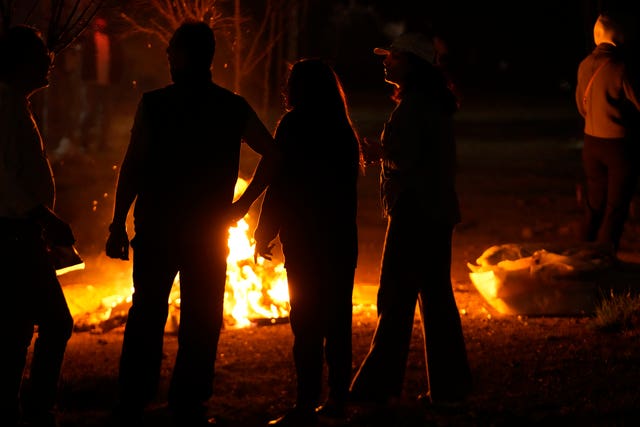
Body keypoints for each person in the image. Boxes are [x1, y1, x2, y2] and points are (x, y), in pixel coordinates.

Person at [105, 21, 281, 427]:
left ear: (186, 57)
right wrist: (241, 207)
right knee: (201, 318)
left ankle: (134, 398)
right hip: (205, 232)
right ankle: (189, 401)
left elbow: (133, 164)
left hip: (159, 229)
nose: (167, 58)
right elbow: (273, 154)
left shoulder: (155, 104)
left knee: (147, 313)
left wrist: (118, 222)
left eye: (172, 52)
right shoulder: (231, 106)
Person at [348, 32, 472, 411]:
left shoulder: (416, 106)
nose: (386, 63)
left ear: (413, 65)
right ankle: (450, 388)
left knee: (395, 298)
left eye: (394, 58)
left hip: (416, 212)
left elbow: (410, 159)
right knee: (435, 299)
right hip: (434, 210)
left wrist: (377, 151)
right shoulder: (429, 102)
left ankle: (376, 387)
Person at [253, 58, 362, 426]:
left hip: (304, 241)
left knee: (306, 324)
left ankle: (305, 402)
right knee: (337, 320)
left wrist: (264, 232)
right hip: (340, 239)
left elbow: (280, 184)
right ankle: (336, 400)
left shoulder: (294, 125)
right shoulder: (343, 130)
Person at [0, 25, 76, 427]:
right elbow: (4, 179)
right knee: (48, 323)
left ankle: (23, 407)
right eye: (41, 59)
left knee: (17, 327)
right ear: (20, 63)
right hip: (12, 234)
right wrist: (43, 215)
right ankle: (32, 408)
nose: (50, 64)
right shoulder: (4, 105)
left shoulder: (14, 104)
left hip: (22, 232)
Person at [575, 12, 640, 254]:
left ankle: (580, 258)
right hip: (618, 146)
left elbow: (582, 107)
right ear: (616, 37)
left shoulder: (583, 65)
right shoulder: (620, 67)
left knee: (594, 205)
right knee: (615, 208)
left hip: (591, 144)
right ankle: (603, 259)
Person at [76, 14, 123, 152]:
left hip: (108, 82)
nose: (100, 26)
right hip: (92, 82)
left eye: (102, 24)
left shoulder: (112, 41)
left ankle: (103, 143)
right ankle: (84, 141)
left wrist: (116, 78)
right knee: (90, 111)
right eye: (98, 24)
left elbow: (119, 60)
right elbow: (84, 61)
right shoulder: (89, 41)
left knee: (107, 114)